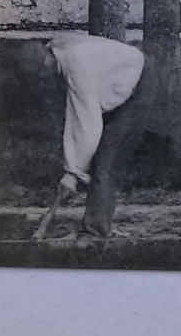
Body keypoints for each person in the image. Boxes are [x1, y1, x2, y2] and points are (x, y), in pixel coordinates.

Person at [38, 32, 147, 239]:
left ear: (51, 58)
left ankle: (93, 234)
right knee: (100, 155)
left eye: (44, 70)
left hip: (139, 80)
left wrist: (73, 172)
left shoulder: (76, 68)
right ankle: (96, 224)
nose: (46, 75)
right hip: (121, 80)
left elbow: (87, 123)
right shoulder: (60, 47)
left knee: (106, 157)